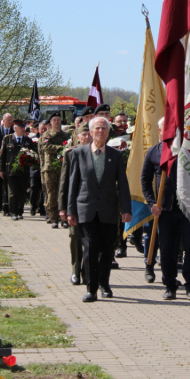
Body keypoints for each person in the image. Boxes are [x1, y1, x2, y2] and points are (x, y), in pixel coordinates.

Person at [67, 116, 131, 302]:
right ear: (91, 131)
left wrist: (126, 209)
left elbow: (124, 185)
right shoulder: (78, 153)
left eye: (104, 128)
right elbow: (73, 184)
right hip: (85, 209)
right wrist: (70, 210)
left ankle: (105, 284)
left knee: (106, 250)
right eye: (97, 128)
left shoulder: (116, 156)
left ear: (108, 131)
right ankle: (91, 288)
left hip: (109, 210)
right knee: (90, 249)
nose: (100, 131)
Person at [141, 117, 190, 301]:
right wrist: (152, 203)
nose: (172, 134)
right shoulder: (154, 152)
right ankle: (169, 285)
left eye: (175, 131)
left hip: (188, 209)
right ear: (160, 132)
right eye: (167, 130)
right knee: (167, 249)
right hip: (165, 210)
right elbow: (145, 180)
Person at [59, 121, 92, 285]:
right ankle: (75, 270)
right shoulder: (70, 154)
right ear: (78, 137)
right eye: (83, 135)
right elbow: (64, 182)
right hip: (74, 203)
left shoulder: (98, 152)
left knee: (90, 240)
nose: (86, 137)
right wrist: (62, 207)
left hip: (91, 204)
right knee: (75, 237)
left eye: (88, 134)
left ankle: (87, 271)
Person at [0, 120, 37, 221]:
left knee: (22, 192)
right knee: (12, 192)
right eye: (20, 127)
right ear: (15, 128)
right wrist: (1, 169)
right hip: (10, 170)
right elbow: (2, 156)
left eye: (23, 127)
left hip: (23, 171)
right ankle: (13, 212)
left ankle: (20, 211)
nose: (23, 129)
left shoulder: (27, 140)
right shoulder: (7, 139)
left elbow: (32, 154)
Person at [40, 113, 70, 228]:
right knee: (51, 193)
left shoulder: (66, 135)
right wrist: (61, 148)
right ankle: (53, 218)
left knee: (63, 193)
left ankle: (64, 218)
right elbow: (46, 147)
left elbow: (70, 146)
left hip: (64, 167)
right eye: (54, 120)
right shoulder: (47, 135)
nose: (57, 122)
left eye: (58, 120)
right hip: (51, 167)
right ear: (51, 122)